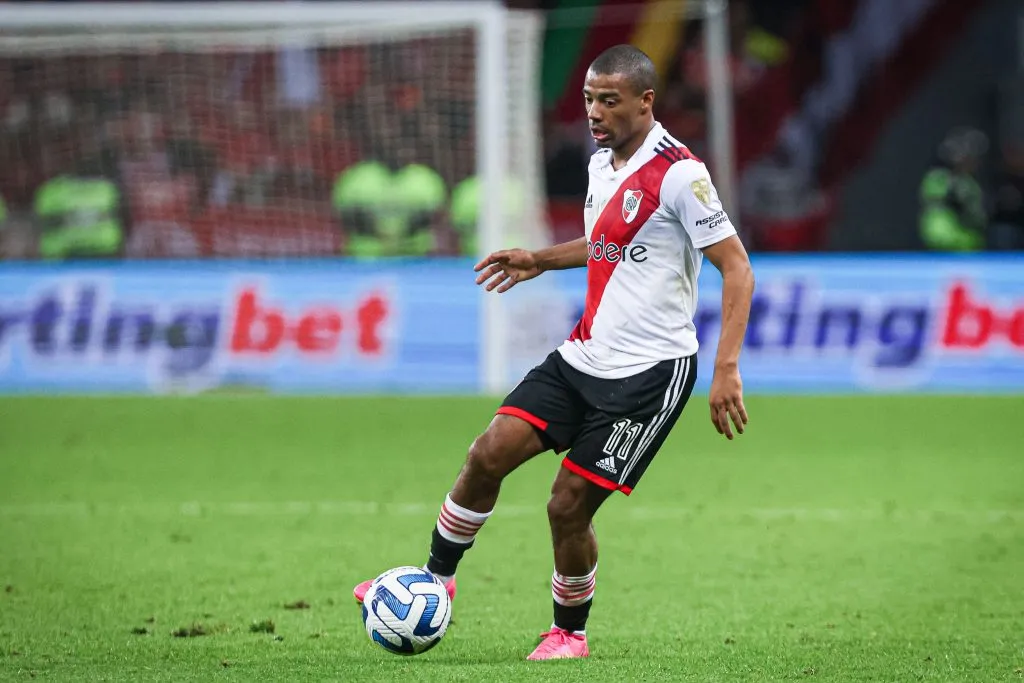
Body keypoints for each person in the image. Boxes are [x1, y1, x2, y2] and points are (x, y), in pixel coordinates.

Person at [353, 44, 755, 660]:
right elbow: (603, 242)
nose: (594, 112)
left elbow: (737, 267)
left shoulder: (680, 174)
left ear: (646, 102)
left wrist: (726, 368)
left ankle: (569, 633)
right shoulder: (602, 163)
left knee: (566, 505)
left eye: (609, 101)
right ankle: (435, 580)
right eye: (590, 98)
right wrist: (539, 258)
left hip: (650, 376)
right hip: (583, 356)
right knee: (487, 454)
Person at [919, 127, 988, 251]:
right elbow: (938, 198)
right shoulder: (939, 178)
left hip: (967, 239)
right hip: (946, 236)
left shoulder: (967, 181)